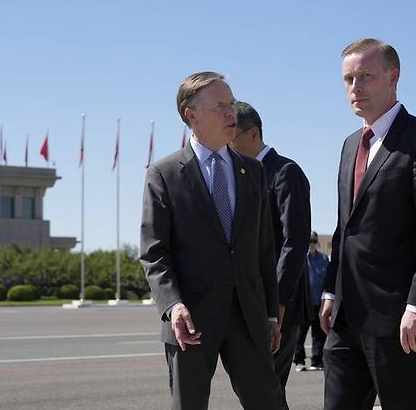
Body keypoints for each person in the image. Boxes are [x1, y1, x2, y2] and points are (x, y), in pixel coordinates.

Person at [319, 38, 416, 410]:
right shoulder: (350, 145)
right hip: (346, 319)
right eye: (348, 79)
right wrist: (331, 291)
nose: (355, 87)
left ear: (393, 77)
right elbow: (344, 228)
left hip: (399, 320)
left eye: (365, 76)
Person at [140, 71, 283, 410]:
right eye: (220, 106)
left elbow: (264, 249)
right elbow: (153, 252)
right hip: (190, 321)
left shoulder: (253, 172)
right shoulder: (164, 174)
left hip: (248, 317)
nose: (231, 113)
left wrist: (271, 314)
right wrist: (173, 306)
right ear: (192, 115)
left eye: (231, 104)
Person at [229, 101, 311, 409]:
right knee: (260, 390)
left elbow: (295, 242)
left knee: (266, 387)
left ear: (252, 133)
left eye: (231, 134)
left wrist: (276, 302)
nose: (226, 143)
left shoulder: (285, 173)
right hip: (251, 298)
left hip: (280, 301)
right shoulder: (239, 176)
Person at [295, 231, 328, 371]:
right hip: (304, 303)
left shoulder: (324, 258)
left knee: (318, 334)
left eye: (313, 241)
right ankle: (299, 361)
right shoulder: (301, 259)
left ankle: (316, 361)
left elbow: (328, 280)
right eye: (308, 241)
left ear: (317, 242)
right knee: (300, 334)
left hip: (318, 303)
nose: (311, 244)